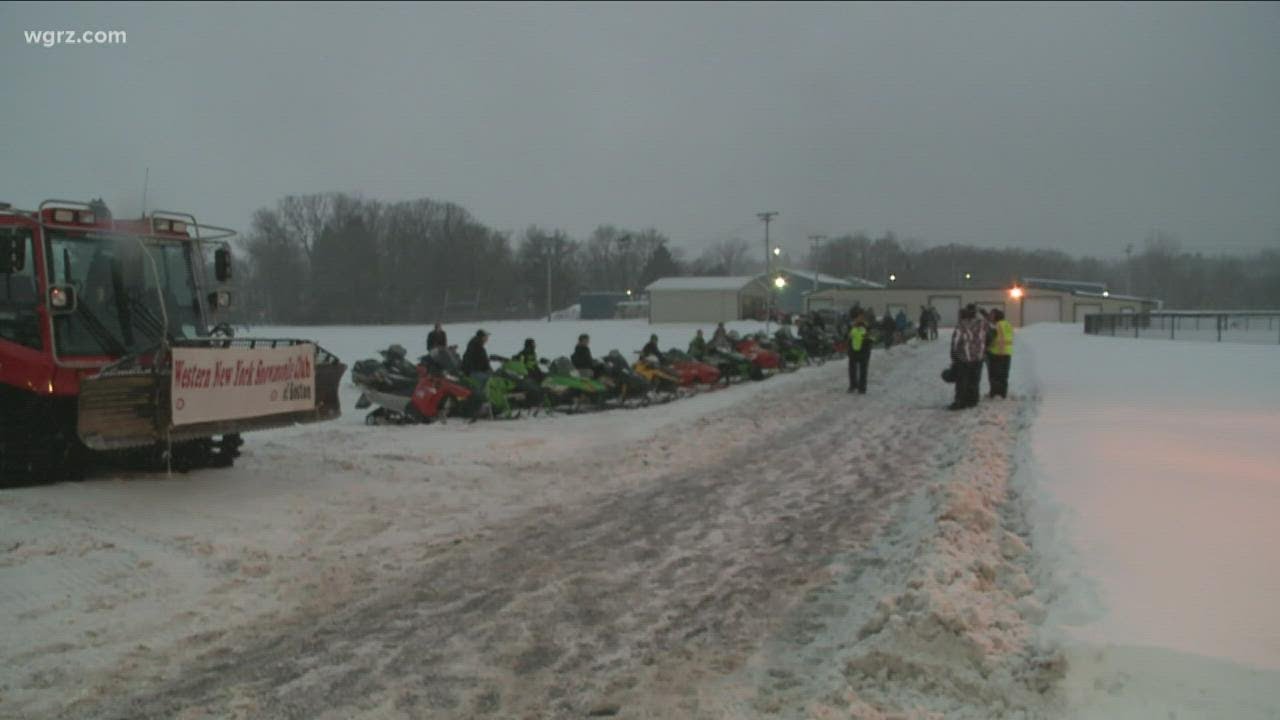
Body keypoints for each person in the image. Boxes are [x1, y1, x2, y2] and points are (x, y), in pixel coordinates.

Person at [948, 305, 988, 410]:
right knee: (974, 380)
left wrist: (953, 356)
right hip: (978, 358)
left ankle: (960, 401)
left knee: (962, 380)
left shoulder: (961, 325)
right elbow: (992, 331)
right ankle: (973, 400)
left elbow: (955, 342)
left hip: (963, 358)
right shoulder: (982, 324)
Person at [986, 309, 1014, 398]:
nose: (991, 317)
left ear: (996, 316)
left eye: (992, 315)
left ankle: (994, 393)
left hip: (997, 352)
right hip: (1007, 352)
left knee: (994, 375)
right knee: (1004, 375)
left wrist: (987, 348)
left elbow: (994, 338)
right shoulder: (1007, 324)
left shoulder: (997, 325)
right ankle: (1003, 393)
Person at [847, 312, 871, 394]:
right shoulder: (852, 326)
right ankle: (853, 386)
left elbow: (870, 339)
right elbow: (848, 338)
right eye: (858, 317)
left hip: (864, 351)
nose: (859, 319)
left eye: (861, 317)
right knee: (852, 370)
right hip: (853, 351)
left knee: (863, 370)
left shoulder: (867, 327)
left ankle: (862, 387)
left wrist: (866, 338)